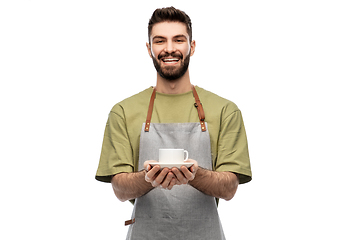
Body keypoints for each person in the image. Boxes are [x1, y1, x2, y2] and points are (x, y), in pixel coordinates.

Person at [95, 6, 252, 240]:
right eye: (160, 41)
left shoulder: (225, 110)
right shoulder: (123, 112)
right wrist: (147, 177)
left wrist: (194, 175)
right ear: (149, 49)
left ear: (192, 46)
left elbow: (229, 188)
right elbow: (119, 188)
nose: (169, 48)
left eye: (178, 40)